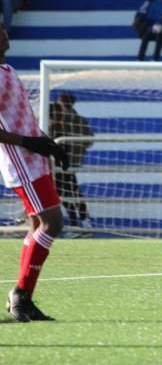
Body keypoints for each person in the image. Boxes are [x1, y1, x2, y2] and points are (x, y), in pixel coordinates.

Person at [0, 23, 70, 322]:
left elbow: (21, 117)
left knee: (39, 225)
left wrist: (47, 143)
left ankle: (21, 297)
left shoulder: (8, 70)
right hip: (21, 161)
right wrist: (30, 143)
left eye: (3, 28)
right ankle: (21, 295)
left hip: (34, 158)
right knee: (53, 222)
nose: (5, 33)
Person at [50, 93, 94, 228]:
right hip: (71, 162)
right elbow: (89, 140)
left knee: (65, 192)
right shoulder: (79, 119)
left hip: (61, 162)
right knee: (71, 191)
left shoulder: (62, 120)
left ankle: (76, 223)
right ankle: (83, 221)